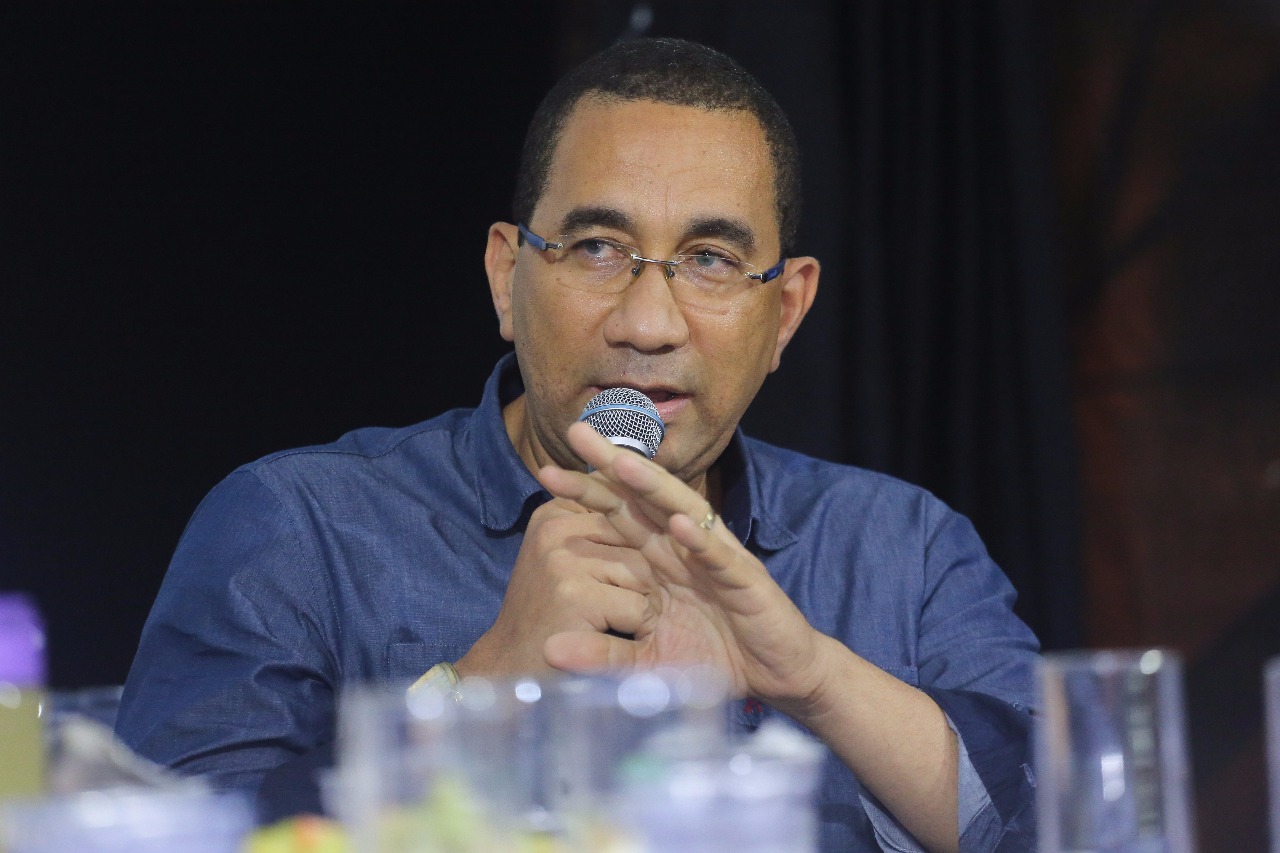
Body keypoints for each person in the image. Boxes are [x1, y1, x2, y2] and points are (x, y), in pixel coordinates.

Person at [115, 37, 1038, 852]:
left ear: (786, 311)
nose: (648, 323)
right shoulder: (300, 529)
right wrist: (480, 689)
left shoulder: (905, 547)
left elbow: (1065, 816)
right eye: (598, 247)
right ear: (506, 276)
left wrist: (815, 677)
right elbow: (179, 830)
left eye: (710, 261)